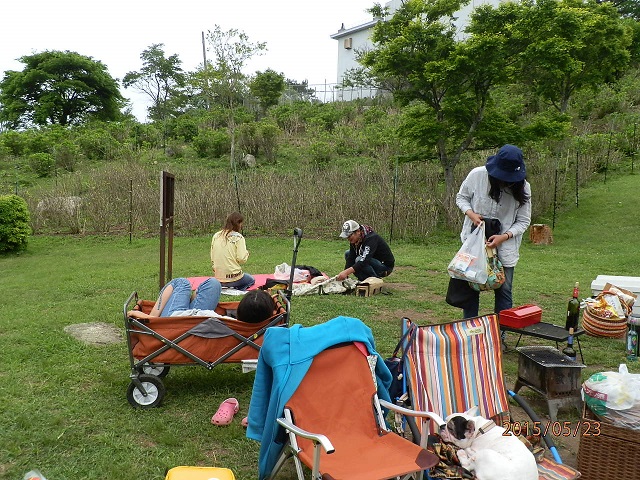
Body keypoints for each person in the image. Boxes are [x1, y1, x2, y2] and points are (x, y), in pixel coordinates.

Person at [455, 144, 532, 319]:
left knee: (504, 289)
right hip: (475, 243)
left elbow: (523, 221)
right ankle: (470, 327)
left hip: (505, 246)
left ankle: (500, 331)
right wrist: (471, 214)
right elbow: (461, 198)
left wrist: (504, 237)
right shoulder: (477, 175)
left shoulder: (523, 187)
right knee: (471, 286)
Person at [129, 277, 222, 318]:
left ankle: (153, 318)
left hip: (174, 322)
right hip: (199, 320)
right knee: (214, 283)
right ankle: (187, 306)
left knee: (181, 282)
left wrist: (139, 314)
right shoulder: (229, 323)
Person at [211, 212, 255, 291]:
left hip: (219, 278)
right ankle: (235, 287)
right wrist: (247, 254)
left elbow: (212, 256)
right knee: (251, 279)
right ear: (238, 223)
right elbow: (241, 259)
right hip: (234, 278)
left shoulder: (216, 235)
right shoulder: (239, 238)